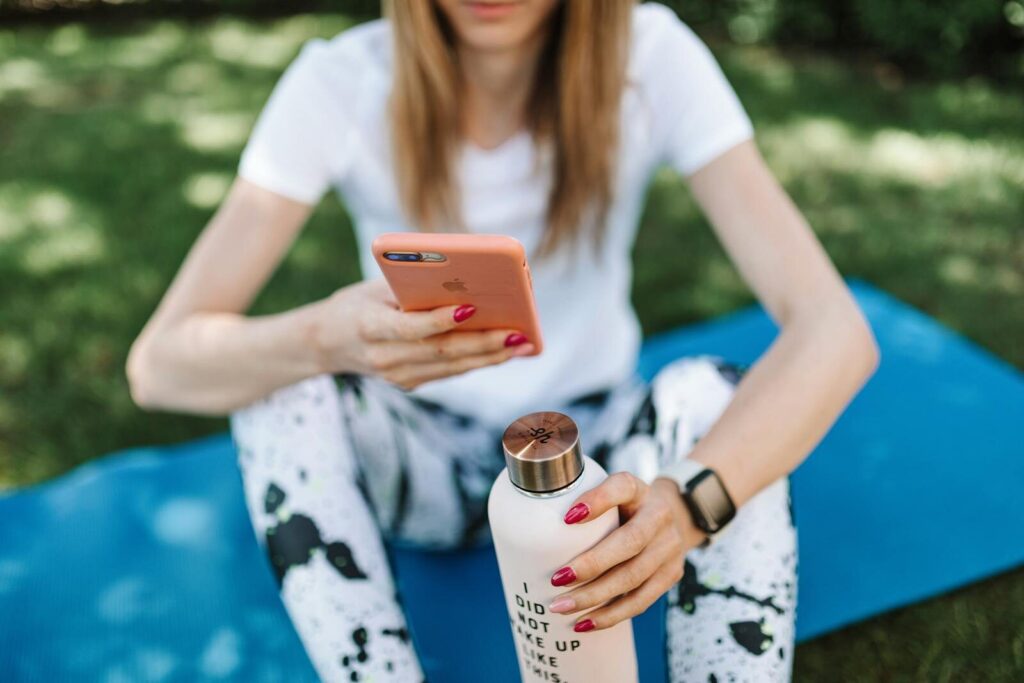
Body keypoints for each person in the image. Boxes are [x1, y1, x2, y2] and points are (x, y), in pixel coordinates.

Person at [127, 1, 879, 680]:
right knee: (283, 384)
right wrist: (327, 336)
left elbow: (836, 331)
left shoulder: (650, 56)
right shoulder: (339, 82)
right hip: (420, 453)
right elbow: (158, 367)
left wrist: (687, 504)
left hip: (599, 469)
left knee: (713, 397)